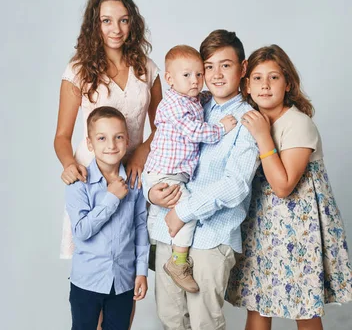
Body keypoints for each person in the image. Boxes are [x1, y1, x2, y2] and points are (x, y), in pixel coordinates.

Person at [54, 0, 161, 329]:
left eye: (123, 20)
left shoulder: (146, 67)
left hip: (133, 178)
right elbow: (61, 137)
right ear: (94, 25)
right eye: (106, 21)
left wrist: (140, 152)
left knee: (123, 280)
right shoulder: (78, 70)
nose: (116, 29)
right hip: (93, 178)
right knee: (94, 277)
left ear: (133, 24)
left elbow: (164, 127)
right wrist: (70, 164)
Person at [226, 44, 352, 330]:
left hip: (299, 232)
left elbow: (283, 186)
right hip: (261, 227)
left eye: (273, 77)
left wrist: (262, 136)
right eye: (257, 78)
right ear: (246, 85)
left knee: (304, 307)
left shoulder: (297, 123)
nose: (265, 85)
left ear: (288, 83)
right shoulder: (249, 119)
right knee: (257, 302)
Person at [147, 29, 260, 330]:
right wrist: (150, 192)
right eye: (208, 66)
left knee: (203, 323)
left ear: (243, 68)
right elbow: (160, 151)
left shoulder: (247, 120)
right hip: (167, 230)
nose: (215, 75)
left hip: (212, 234)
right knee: (170, 318)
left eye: (225, 65)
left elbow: (236, 185)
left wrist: (182, 211)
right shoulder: (192, 103)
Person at [141, 45, 237, 293]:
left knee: (179, 209)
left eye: (198, 74)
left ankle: (166, 248)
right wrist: (222, 128)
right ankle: (178, 263)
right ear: (170, 79)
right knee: (186, 213)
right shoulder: (173, 105)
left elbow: (201, 98)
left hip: (171, 173)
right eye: (187, 76)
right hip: (165, 173)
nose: (195, 81)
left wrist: (205, 95)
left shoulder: (190, 98)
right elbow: (195, 131)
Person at [66, 106, 149, 330]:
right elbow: (82, 231)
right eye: (102, 138)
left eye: (118, 137)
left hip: (123, 281)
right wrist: (111, 198)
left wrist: (141, 271)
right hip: (87, 281)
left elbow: (141, 228)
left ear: (127, 140)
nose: (111, 145)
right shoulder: (79, 183)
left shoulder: (135, 181)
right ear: (90, 143)